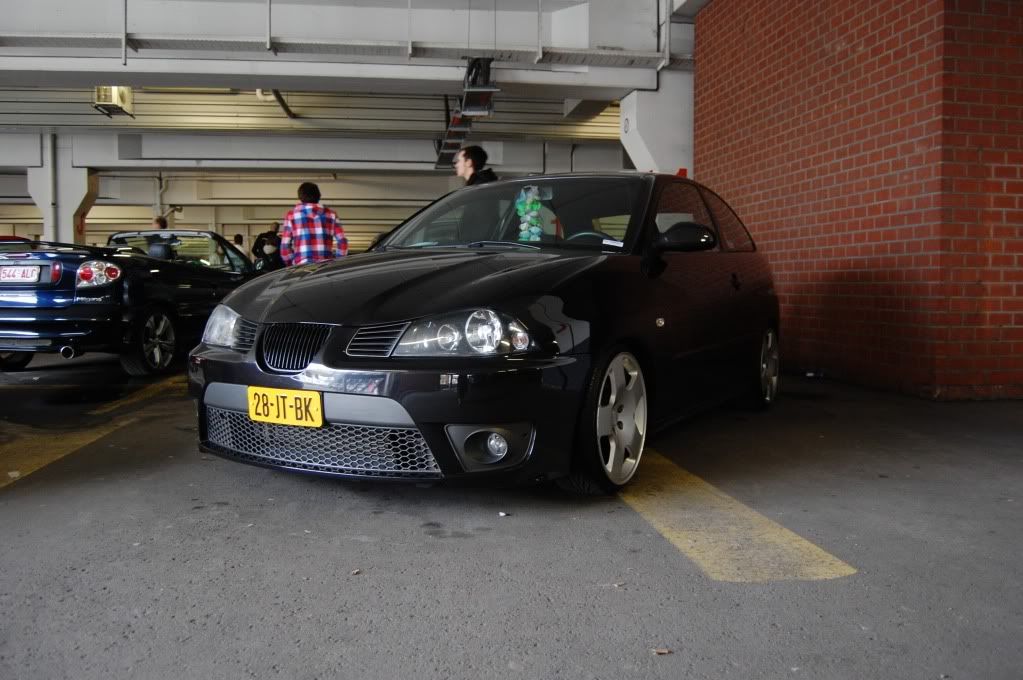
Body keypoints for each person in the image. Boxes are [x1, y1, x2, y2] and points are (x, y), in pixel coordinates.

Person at [279, 183, 347, 266]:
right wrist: (337, 262)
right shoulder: (331, 214)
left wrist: (292, 264)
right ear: (319, 196)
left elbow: (284, 247)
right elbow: (342, 242)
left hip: (301, 268)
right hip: (325, 267)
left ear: (300, 197)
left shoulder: (291, 215)